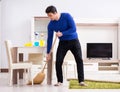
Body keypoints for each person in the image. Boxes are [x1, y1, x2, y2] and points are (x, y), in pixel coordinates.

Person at [45, 5, 87, 86]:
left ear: (55, 13)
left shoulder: (67, 16)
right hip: (63, 43)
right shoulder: (50, 25)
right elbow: (49, 38)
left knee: (79, 59)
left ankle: (81, 81)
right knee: (58, 61)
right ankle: (59, 81)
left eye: (50, 15)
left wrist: (62, 33)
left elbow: (73, 29)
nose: (50, 17)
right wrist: (48, 52)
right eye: (48, 16)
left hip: (74, 41)